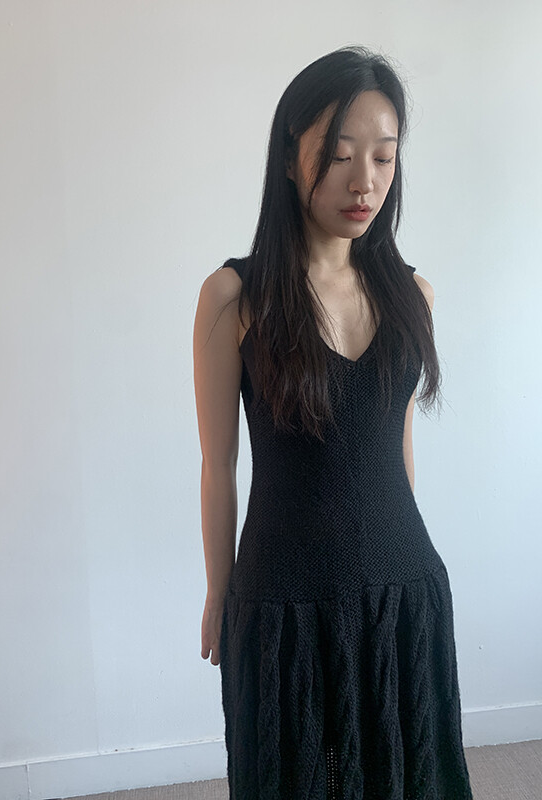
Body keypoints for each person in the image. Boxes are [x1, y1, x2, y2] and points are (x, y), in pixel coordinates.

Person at [193, 46, 474, 799]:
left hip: (401, 587)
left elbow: (397, 444)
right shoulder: (234, 297)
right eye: (341, 155)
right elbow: (218, 462)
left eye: (384, 157)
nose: (365, 181)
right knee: (293, 776)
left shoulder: (413, 294)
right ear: (291, 157)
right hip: (282, 594)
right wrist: (219, 591)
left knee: (403, 775)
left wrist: (400, 555)